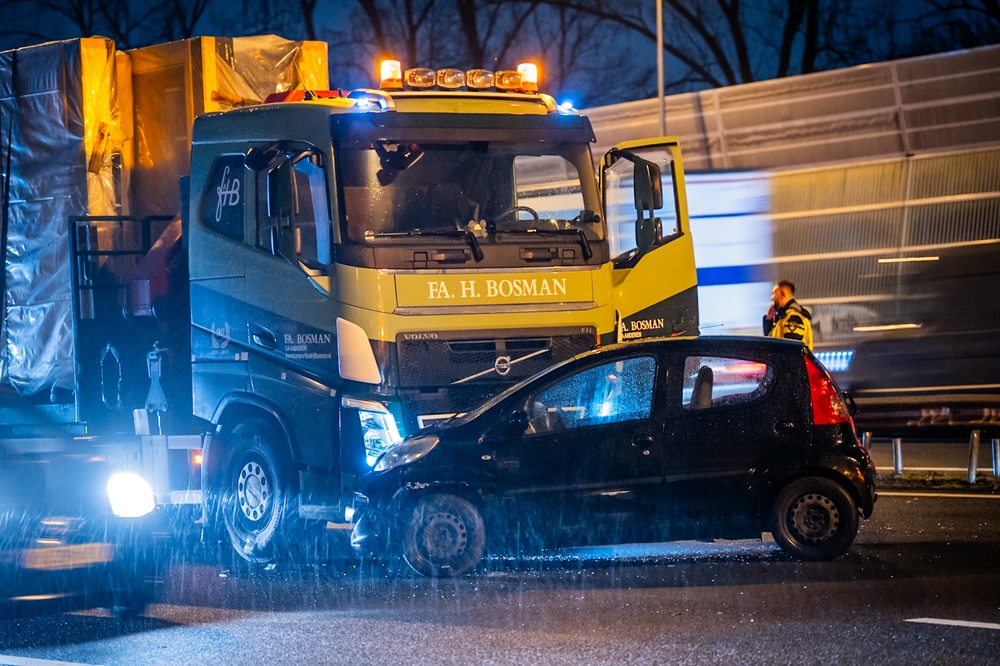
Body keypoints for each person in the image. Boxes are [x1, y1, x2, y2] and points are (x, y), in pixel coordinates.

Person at [763, 279, 813, 349]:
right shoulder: (784, 317)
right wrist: (769, 318)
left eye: (774, 294)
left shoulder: (793, 318)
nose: (772, 298)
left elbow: (791, 350)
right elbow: (771, 342)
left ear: (782, 295)